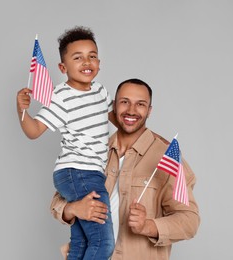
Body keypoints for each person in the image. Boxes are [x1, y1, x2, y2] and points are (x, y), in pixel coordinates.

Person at [50, 78, 200, 260]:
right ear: (114, 106)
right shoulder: (93, 148)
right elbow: (57, 201)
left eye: (140, 104)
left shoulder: (167, 157)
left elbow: (189, 221)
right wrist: (73, 209)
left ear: (149, 111)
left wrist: (148, 226)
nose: (131, 110)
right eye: (124, 102)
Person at [16, 26, 115, 260]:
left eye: (92, 56)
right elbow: (34, 131)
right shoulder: (61, 96)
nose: (86, 62)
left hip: (91, 173)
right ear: (63, 67)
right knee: (103, 243)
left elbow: (116, 121)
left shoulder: (100, 91)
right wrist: (22, 110)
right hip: (78, 171)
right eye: (77, 57)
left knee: (81, 243)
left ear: (99, 62)